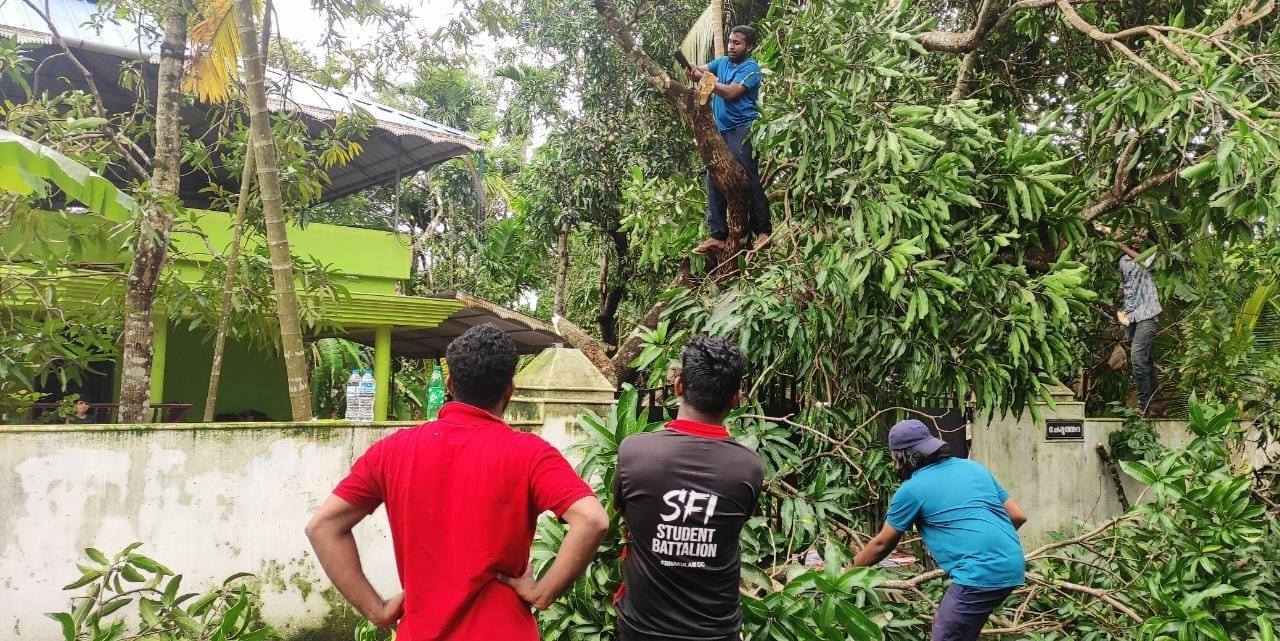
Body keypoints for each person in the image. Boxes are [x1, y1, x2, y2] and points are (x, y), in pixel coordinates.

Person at [305, 324, 608, 640]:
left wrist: (377, 610)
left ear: (449, 384)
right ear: (510, 390)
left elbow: (323, 527)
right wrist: (544, 593)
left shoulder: (392, 451)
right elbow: (591, 519)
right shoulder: (530, 454)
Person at [613, 336, 764, 641]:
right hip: (716, 633)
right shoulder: (748, 467)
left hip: (640, 631)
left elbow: (621, 512)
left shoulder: (634, 453)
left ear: (678, 386)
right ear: (736, 398)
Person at [854, 420, 1027, 641]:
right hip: (1013, 564)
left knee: (945, 636)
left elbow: (882, 544)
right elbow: (1018, 515)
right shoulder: (972, 467)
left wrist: (848, 572)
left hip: (978, 573)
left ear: (901, 456)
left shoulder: (911, 490)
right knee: (948, 625)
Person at [686, 25, 772, 255]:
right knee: (714, 175)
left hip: (743, 129)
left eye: (737, 43)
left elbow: (732, 92)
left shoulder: (752, 69)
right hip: (721, 131)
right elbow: (701, 69)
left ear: (749, 47)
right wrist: (693, 70)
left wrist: (706, 80)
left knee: (747, 175)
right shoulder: (722, 62)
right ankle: (718, 235)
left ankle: (763, 232)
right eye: (730, 41)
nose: (732, 46)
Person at [1116, 236, 1162, 416]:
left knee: (1137, 358)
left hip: (1147, 314)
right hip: (1132, 316)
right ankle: (1157, 402)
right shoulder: (1122, 261)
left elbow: (1145, 263)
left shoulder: (1148, 255)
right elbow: (1126, 286)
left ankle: (1143, 404)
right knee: (1145, 360)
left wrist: (1122, 245)